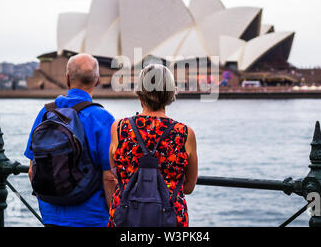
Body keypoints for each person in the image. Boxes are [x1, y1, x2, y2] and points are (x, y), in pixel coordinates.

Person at [24, 53, 117, 227]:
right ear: (97, 80)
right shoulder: (103, 119)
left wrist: (49, 203)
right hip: (91, 217)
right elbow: (109, 177)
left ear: (67, 79)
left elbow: (32, 170)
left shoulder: (45, 113)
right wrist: (114, 216)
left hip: (51, 216)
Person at [108, 64, 198, 227]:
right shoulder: (185, 133)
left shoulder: (120, 128)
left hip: (126, 216)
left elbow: (115, 173)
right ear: (170, 94)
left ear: (139, 93)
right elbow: (189, 186)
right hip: (169, 217)